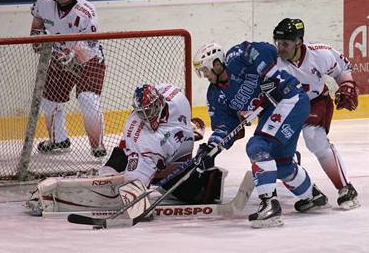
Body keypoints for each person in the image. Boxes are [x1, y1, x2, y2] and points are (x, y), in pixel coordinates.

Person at [193, 41, 328, 228]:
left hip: (290, 98)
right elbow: (226, 127)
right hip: (276, 111)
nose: (205, 76)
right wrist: (212, 148)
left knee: (257, 145)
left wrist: (271, 76)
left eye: (205, 70)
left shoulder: (236, 56)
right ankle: (313, 196)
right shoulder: (215, 95)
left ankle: (269, 205)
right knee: (282, 165)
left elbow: (267, 50)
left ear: (216, 64)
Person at [273, 18, 360, 210]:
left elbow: (343, 69)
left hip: (315, 102)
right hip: (286, 107)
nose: (280, 48)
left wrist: (346, 84)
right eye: (278, 43)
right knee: (275, 151)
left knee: (314, 138)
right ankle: (311, 194)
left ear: (298, 42)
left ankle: (345, 188)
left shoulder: (320, 54)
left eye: (285, 44)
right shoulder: (274, 60)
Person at [99, 83, 224, 204]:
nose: (146, 116)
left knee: (201, 193)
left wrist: (201, 155)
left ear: (159, 102)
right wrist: (135, 189)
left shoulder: (178, 101)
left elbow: (165, 89)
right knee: (124, 153)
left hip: (173, 166)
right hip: (157, 169)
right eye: (142, 112)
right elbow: (133, 160)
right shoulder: (137, 130)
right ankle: (106, 177)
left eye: (148, 111)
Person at [30, 0, 107, 157]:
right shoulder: (43, 1)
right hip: (59, 57)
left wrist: (74, 57)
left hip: (89, 60)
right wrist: (36, 37)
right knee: (49, 101)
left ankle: (97, 145)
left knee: (88, 99)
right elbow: (38, 19)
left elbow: (91, 44)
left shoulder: (86, 11)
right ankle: (59, 140)